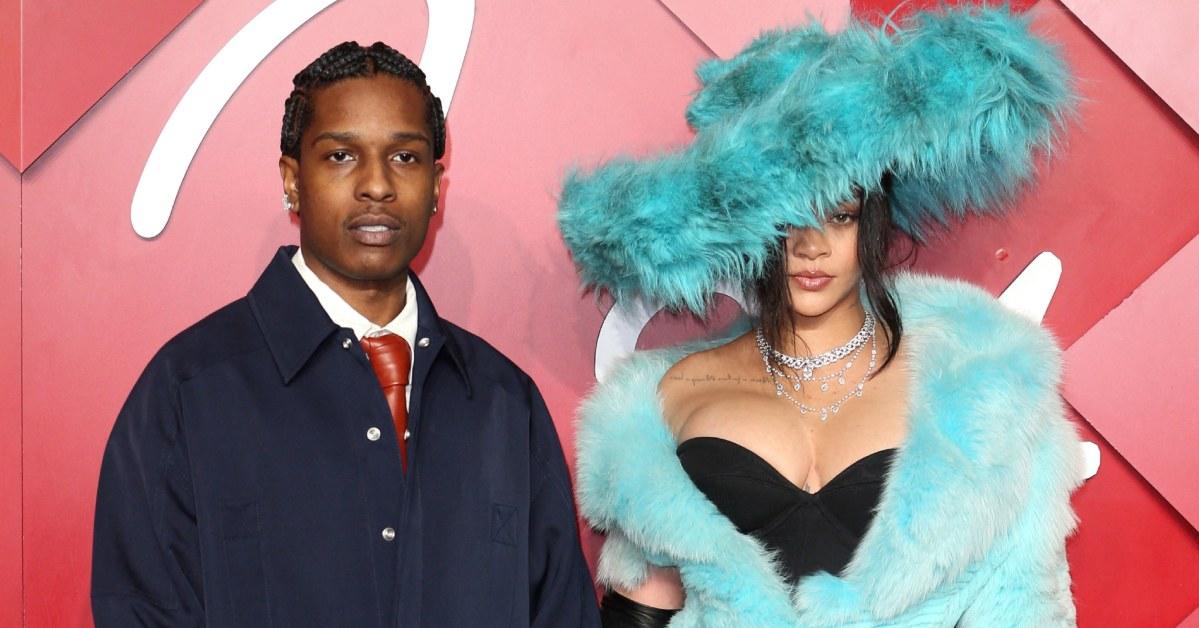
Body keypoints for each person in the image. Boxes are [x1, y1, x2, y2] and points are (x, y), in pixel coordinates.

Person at [559, 6, 1082, 627]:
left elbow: (1025, 606)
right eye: (788, 219)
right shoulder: (663, 403)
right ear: (747, 227)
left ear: (874, 216)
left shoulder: (989, 388)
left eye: (839, 214)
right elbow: (640, 610)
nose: (812, 246)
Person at [92, 41, 600, 627]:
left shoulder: (504, 404)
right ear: (292, 179)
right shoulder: (187, 393)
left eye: (405, 158)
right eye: (340, 156)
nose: (377, 185)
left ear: (437, 186)